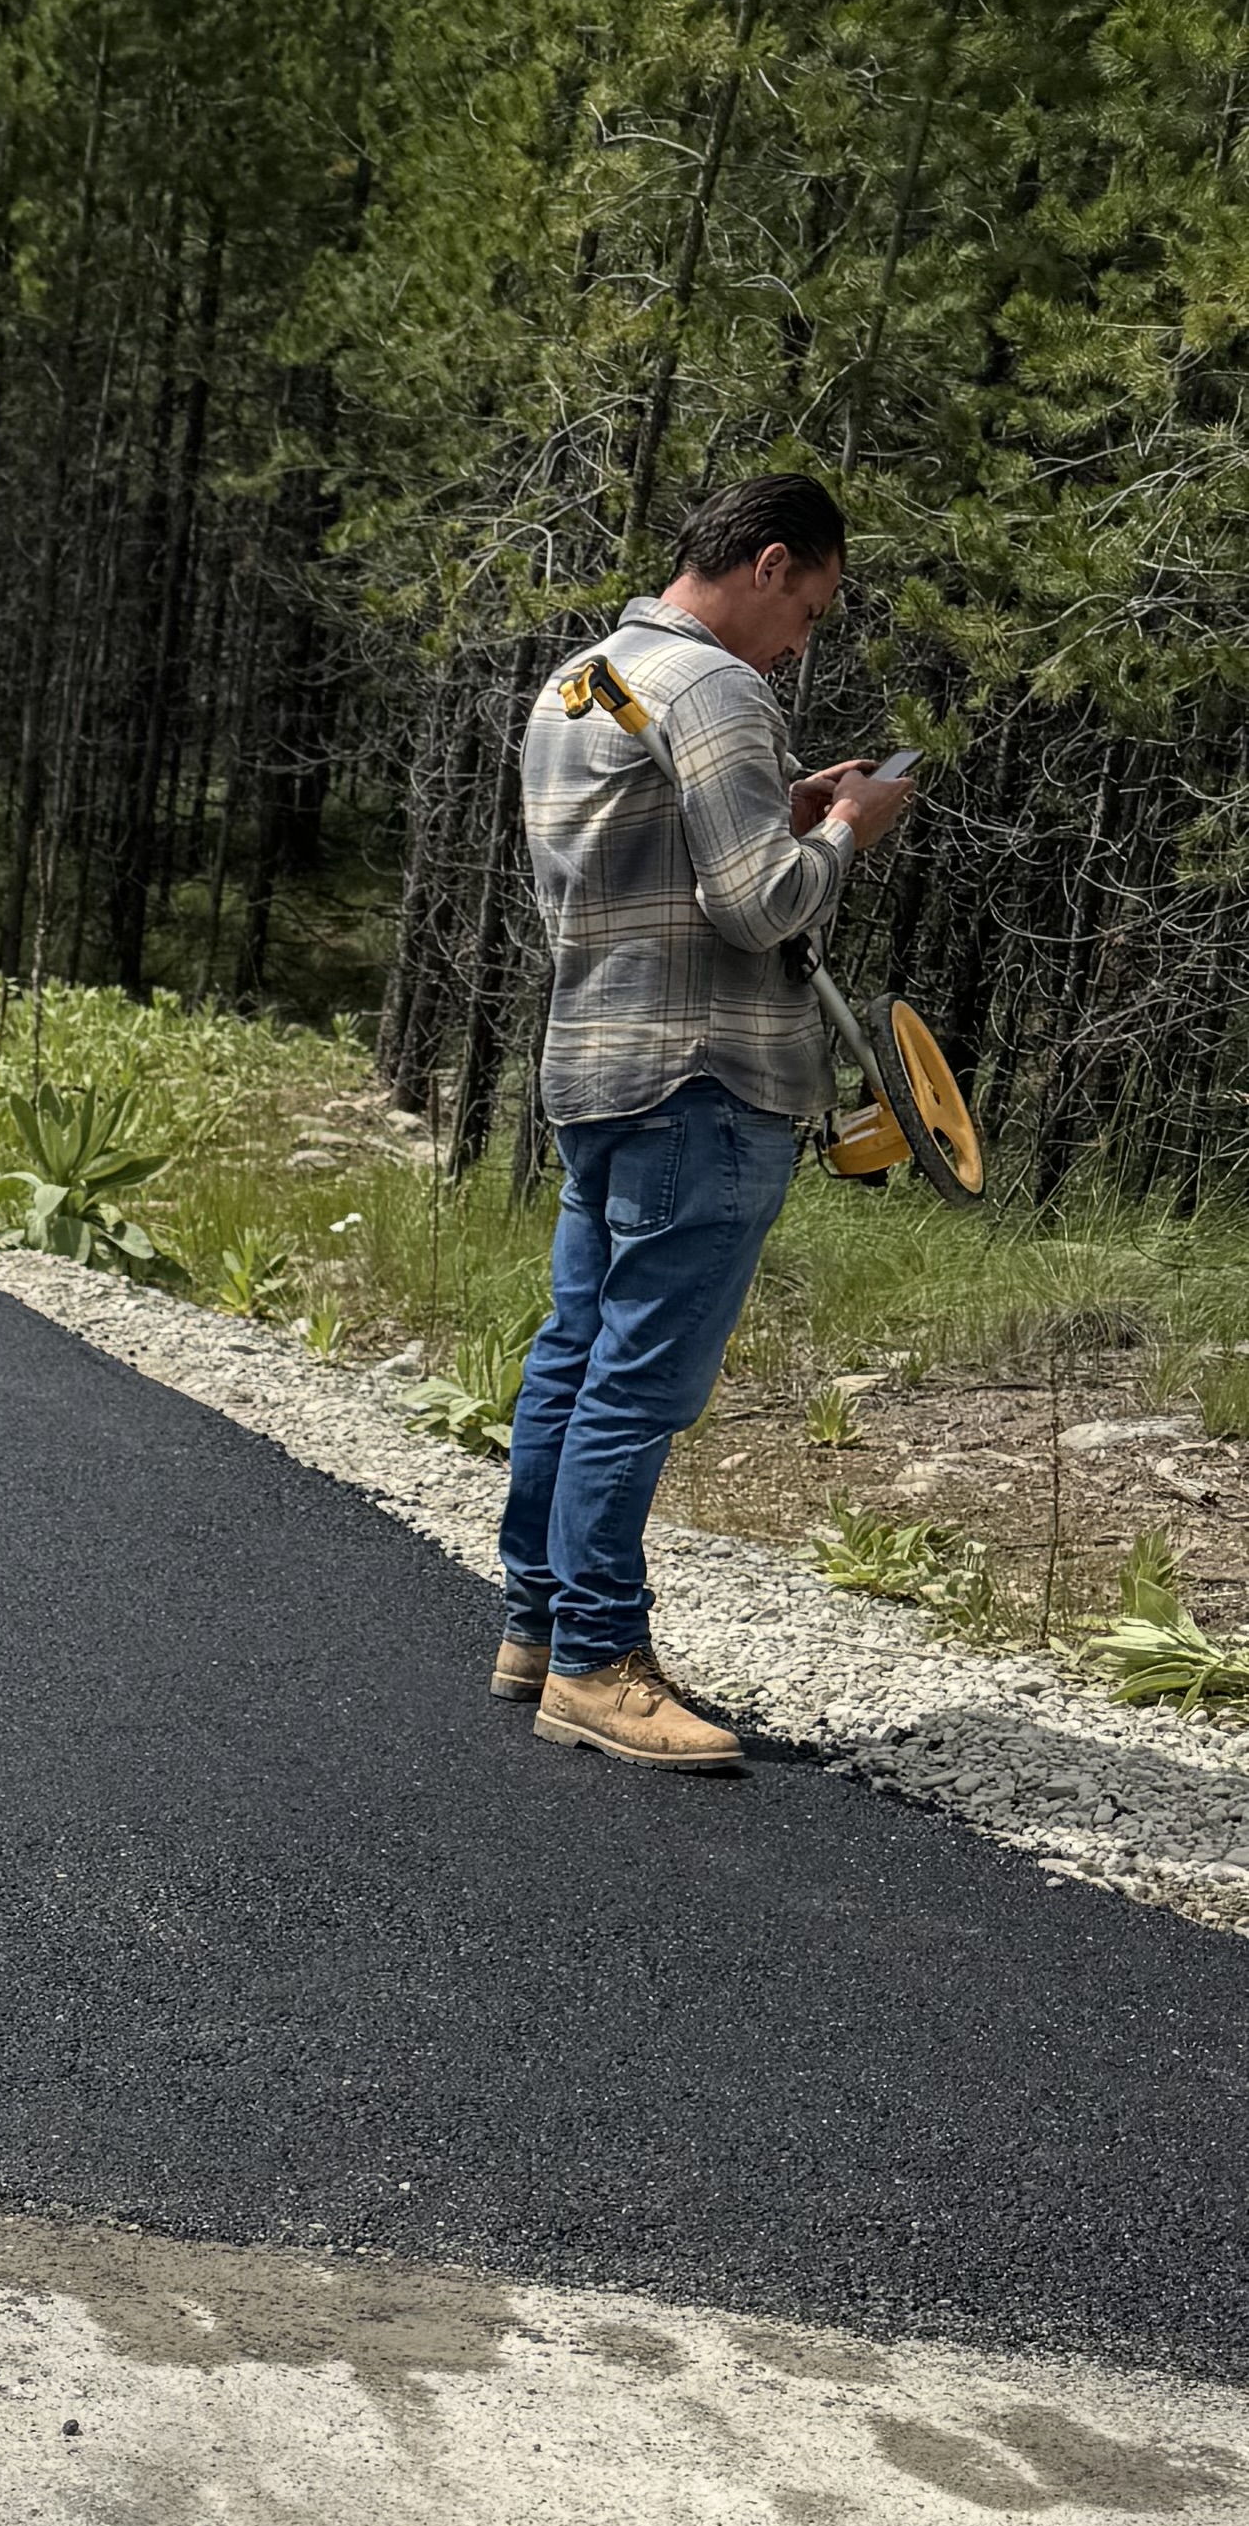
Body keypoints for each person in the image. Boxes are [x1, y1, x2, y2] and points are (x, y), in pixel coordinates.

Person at [493, 471, 916, 1772]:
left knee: (574, 1353)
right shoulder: (722, 688)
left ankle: (536, 1623)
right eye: (813, 608)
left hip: (597, 1067)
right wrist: (845, 826)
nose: (804, 643)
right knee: (642, 1378)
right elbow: (756, 909)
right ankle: (598, 1665)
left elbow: (650, 864)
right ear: (772, 563)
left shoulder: (586, 683)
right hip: (705, 1079)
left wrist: (782, 808)